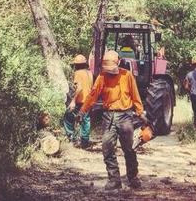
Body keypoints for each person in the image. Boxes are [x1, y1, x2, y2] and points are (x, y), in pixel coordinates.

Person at [78, 50, 148, 190]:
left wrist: (140, 113)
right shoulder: (102, 77)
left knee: (129, 149)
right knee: (107, 148)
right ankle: (114, 179)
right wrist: (82, 110)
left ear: (119, 62)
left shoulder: (127, 75)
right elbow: (92, 95)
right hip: (108, 116)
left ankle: (133, 177)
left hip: (125, 116)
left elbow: (135, 95)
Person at [63, 54, 93, 148]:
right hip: (89, 100)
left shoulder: (78, 73)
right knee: (85, 120)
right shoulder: (89, 73)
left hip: (80, 101)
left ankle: (71, 136)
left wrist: (73, 101)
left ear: (77, 65)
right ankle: (84, 141)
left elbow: (79, 88)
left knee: (68, 115)